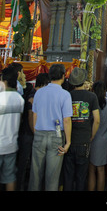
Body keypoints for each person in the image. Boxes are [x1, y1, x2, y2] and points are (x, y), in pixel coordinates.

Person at [28, 63, 73, 191]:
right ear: (64, 76)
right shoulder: (65, 94)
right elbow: (66, 120)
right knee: (52, 177)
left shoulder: (39, 92)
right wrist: (68, 142)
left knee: (35, 174)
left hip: (40, 133)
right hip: (56, 135)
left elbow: (34, 115)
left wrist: (36, 132)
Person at [63, 67, 100, 191]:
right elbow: (97, 119)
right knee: (81, 176)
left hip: (68, 140)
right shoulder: (91, 96)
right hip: (84, 140)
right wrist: (92, 135)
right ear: (84, 80)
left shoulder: (67, 95)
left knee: (68, 175)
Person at [16, 73, 50, 191]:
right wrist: (35, 131)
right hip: (29, 134)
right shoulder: (34, 95)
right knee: (25, 162)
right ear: (45, 84)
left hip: (30, 133)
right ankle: (20, 186)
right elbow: (31, 116)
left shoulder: (36, 94)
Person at [0, 66, 24, 191]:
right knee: (10, 177)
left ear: (4, 81)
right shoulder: (20, 99)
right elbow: (19, 120)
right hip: (11, 144)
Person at [88, 81, 107, 191]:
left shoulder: (91, 102)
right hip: (104, 140)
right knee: (101, 170)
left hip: (92, 138)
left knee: (91, 170)